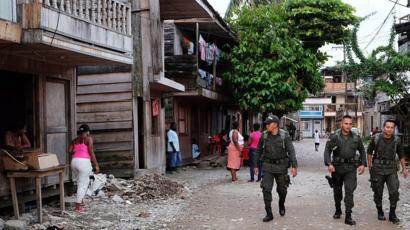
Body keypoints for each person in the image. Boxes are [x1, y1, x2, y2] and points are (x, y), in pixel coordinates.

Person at [324, 115, 366, 225]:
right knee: (337, 191)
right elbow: (327, 151)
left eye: (350, 124)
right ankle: (338, 209)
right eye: (346, 123)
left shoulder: (356, 137)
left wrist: (362, 164)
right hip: (337, 168)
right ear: (341, 124)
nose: (348, 126)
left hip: (351, 169)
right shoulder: (335, 136)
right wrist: (329, 164)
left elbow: (362, 150)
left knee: (349, 191)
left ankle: (348, 215)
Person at [254, 115, 298, 222]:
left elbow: (291, 151)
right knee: (266, 188)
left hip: (281, 167)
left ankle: (281, 203)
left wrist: (294, 165)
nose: (266, 125)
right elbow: (258, 150)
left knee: (282, 190)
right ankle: (269, 212)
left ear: (275, 125)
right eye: (266, 123)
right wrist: (256, 165)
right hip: (268, 166)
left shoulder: (284, 136)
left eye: (269, 123)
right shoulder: (264, 135)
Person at [367, 119, 407, 224]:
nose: (389, 129)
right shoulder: (375, 138)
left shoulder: (397, 140)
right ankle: (380, 211)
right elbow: (369, 151)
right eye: (387, 127)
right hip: (378, 169)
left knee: (394, 191)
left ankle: (392, 214)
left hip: (391, 169)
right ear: (383, 127)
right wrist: (370, 165)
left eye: (391, 127)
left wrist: (404, 169)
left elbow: (401, 154)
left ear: (394, 129)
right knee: (377, 191)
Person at [68, 124, 100, 212]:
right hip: (84, 163)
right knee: (83, 184)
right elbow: (91, 152)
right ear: (87, 132)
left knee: (79, 181)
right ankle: (78, 207)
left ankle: (80, 201)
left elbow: (70, 151)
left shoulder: (74, 140)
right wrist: (96, 165)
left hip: (74, 162)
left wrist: (77, 151)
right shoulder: (88, 139)